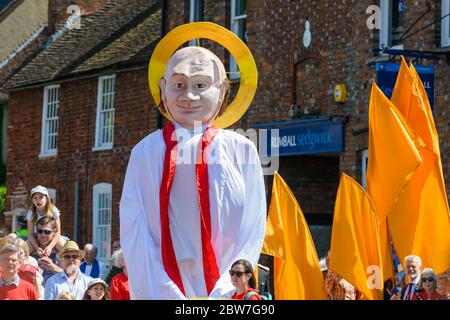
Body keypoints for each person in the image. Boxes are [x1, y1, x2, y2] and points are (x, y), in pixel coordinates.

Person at [120, 23, 266, 300]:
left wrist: (228, 291)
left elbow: (252, 227)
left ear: (223, 90)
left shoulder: (242, 151)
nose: (189, 96)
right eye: (178, 85)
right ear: (163, 89)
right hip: (162, 289)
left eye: (200, 85)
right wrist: (165, 294)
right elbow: (134, 231)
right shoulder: (145, 153)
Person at [26, 186, 65, 256]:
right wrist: (37, 247)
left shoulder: (53, 210)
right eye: (35, 198)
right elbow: (30, 234)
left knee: (64, 248)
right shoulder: (31, 212)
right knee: (24, 250)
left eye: (41, 197)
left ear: (46, 199)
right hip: (36, 236)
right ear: (32, 200)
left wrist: (50, 247)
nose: (38, 200)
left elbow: (58, 232)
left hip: (51, 236)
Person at [29, 217, 62, 286]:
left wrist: (53, 267)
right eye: (40, 231)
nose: (43, 235)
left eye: (47, 232)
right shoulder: (30, 247)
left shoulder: (60, 249)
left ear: (54, 232)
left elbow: (70, 275)